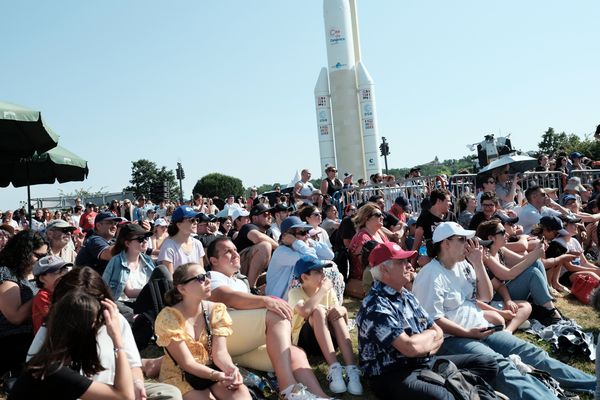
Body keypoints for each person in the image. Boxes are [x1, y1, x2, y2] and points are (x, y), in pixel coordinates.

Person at [412, 221, 596, 399]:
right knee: (502, 366)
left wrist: (477, 263)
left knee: (531, 352)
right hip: (452, 338)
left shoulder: (463, 265)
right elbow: (434, 321)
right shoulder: (429, 275)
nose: (469, 244)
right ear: (445, 243)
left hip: (480, 328)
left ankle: (594, 384)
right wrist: (468, 332)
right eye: (462, 240)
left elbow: (485, 296)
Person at [356, 241, 499, 400]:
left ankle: (455, 384)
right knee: (446, 397)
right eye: (401, 262)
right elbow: (409, 348)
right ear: (384, 269)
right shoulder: (376, 306)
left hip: (422, 360)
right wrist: (425, 342)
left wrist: (423, 347)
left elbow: (436, 330)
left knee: (488, 364)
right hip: (390, 373)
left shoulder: (405, 294)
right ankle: (455, 385)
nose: (409, 265)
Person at [27, 266, 182, 400]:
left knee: (169, 393)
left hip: (117, 388)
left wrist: (137, 383)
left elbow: (133, 365)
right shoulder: (53, 329)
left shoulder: (116, 320)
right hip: (85, 393)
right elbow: (38, 374)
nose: (88, 317)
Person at [207, 237, 331, 399]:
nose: (235, 254)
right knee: (275, 313)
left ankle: (321, 396)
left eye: (235, 250)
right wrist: (267, 300)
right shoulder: (211, 276)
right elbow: (227, 297)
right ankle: (288, 390)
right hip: (218, 342)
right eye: (228, 252)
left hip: (238, 347)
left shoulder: (239, 281)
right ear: (213, 260)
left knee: (295, 353)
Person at [9, 291, 135, 400]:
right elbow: (124, 396)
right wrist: (117, 341)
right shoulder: (53, 371)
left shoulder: (51, 364)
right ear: (82, 331)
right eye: (97, 327)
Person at [155, 262, 251, 399]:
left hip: (211, 370)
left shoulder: (216, 310)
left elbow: (220, 353)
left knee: (241, 393)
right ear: (182, 289)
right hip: (180, 375)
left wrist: (230, 368)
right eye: (200, 278)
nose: (207, 280)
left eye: (207, 275)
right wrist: (217, 375)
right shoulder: (168, 317)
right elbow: (186, 363)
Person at [288, 256, 362, 395]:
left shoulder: (329, 291)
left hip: (330, 341)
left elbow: (342, 324)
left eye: (323, 270)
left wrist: (343, 311)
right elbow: (304, 312)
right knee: (318, 311)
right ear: (304, 277)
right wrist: (322, 290)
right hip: (306, 343)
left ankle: (352, 369)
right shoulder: (295, 293)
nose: (323, 274)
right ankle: (335, 369)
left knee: (336, 313)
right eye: (318, 271)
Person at [0, 231, 48, 378]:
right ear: (23, 252)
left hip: (34, 333)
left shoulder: (35, 273)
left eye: (44, 256)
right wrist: (45, 293)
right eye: (38, 256)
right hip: (12, 340)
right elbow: (15, 317)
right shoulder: (6, 273)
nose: (41, 260)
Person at [266, 216, 337, 301]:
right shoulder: (281, 252)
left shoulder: (303, 247)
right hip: (278, 300)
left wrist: (310, 242)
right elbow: (311, 259)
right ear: (288, 236)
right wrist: (296, 242)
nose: (307, 235)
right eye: (303, 232)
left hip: (292, 298)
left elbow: (329, 255)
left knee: (332, 265)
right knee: (310, 270)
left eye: (307, 232)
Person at [102, 223, 155, 314]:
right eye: (140, 239)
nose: (145, 241)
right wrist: (154, 291)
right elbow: (130, 292)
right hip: (122, 305)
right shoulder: (117, 261)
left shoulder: (148, 261)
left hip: (144, 302)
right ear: (127, 243)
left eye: (146, 238)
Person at [233, 203, 279, 291]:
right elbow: (258, 238)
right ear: (254, 218)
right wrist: (280, 247)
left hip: (258, 272)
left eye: (270, 214)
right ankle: (251, 288)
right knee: (265, 246)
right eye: (265, 214)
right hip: (238, 270)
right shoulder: (247, 227)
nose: (270, 217)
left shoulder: (269, 232)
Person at [158, 205, 205, 274]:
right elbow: (170, 280)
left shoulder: (197, 243)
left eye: (197, 220)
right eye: (192, 220)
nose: (196, 222)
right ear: (179, 224)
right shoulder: (168, 247)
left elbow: (202, 272)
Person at [348, 203, 389, 281]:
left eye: (382, 214)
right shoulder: (361, 238)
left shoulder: (380, 233)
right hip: (367, 280)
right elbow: (365, 265)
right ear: (366, 218)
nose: (382, 217)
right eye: (378, 215)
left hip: (383, 273)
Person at [31, 255, 72, 334]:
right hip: (48, 341)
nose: (63, 274)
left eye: (65, 270)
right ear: (42, 278)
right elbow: (55, 320)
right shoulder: (42, 296)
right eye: (57, 271)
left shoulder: (64, 292)